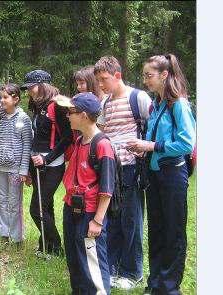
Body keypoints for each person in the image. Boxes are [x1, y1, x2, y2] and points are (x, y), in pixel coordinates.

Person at [126, 54, 196, 295]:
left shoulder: (179, 104)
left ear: (164, 75)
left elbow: (187, 143)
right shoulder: (156, 105)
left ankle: (169, 287)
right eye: (144, 75)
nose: (145, 80)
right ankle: (155, 283)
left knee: (173, 231)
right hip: (155, 175)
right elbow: (154, 138)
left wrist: (152, 146)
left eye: (149, 75)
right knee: (156, 230)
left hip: (173, 175)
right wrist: (141, 146)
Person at [94, 55, 152, 289]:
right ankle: (115, 267)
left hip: (132, 168)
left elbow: (151, 126)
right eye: (98, 80)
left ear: (117, 75)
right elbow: (102, 128)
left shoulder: (138, 97)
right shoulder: (105, 103)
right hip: (112, 169)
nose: (101, 84)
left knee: (132, 219)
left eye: (104, 79)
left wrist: (144, 149)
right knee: (114, 218)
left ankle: (133, 271)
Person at [56, 92, 116, 295]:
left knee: (93, 262)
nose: (68, 116)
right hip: (71, 208)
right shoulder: (80, 140)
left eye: (71, 112)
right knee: (75, 259)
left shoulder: (102, 145)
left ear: (83, 115)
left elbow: (107, 189)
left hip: (90, 214)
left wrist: (98, 221)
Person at [20, 69, 73, 256]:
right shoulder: (38, 105)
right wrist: (29, 166)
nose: (28, 92)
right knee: (46, 205)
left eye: (31, 87)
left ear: (42, 85)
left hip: (52, 165)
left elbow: (67, 138)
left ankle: (57, 248)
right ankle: (45, 245)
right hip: (36, 164)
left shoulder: (57, 105)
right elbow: (36, 138)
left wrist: (46, 158)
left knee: (37, 208)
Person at [0, 83, 33, 245]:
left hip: (15, 169)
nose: (2, 100)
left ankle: (17, 237)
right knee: (3, 200)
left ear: (16, 99)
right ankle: (3, 234)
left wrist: (23, 170)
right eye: (1, 97)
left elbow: (27, 145)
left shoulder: (23, 119)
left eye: (5, 97)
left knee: (14, 202)